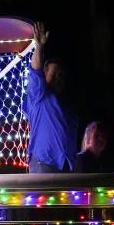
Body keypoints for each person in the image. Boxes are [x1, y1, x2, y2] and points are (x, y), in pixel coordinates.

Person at [22, 21, 78, 173]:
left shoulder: (67, 107)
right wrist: (39, 46)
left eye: (62, 76)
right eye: (56, 73)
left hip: (66, 166)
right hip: (44, 164)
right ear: (45, 71)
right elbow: (35, 72)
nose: (59, 78)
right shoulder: (38, 96)